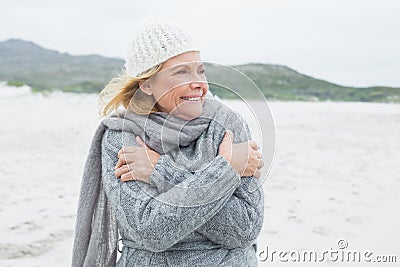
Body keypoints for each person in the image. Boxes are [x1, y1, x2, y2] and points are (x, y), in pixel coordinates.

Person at [71, 21, 265, 267]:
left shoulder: (227, 125)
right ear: (147, 83)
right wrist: (227, 170)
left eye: (201, 71)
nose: (199, 83)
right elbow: (150, 231)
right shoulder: (122, 136)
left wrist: (159, 171)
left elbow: (244, 228)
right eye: (182, 72)